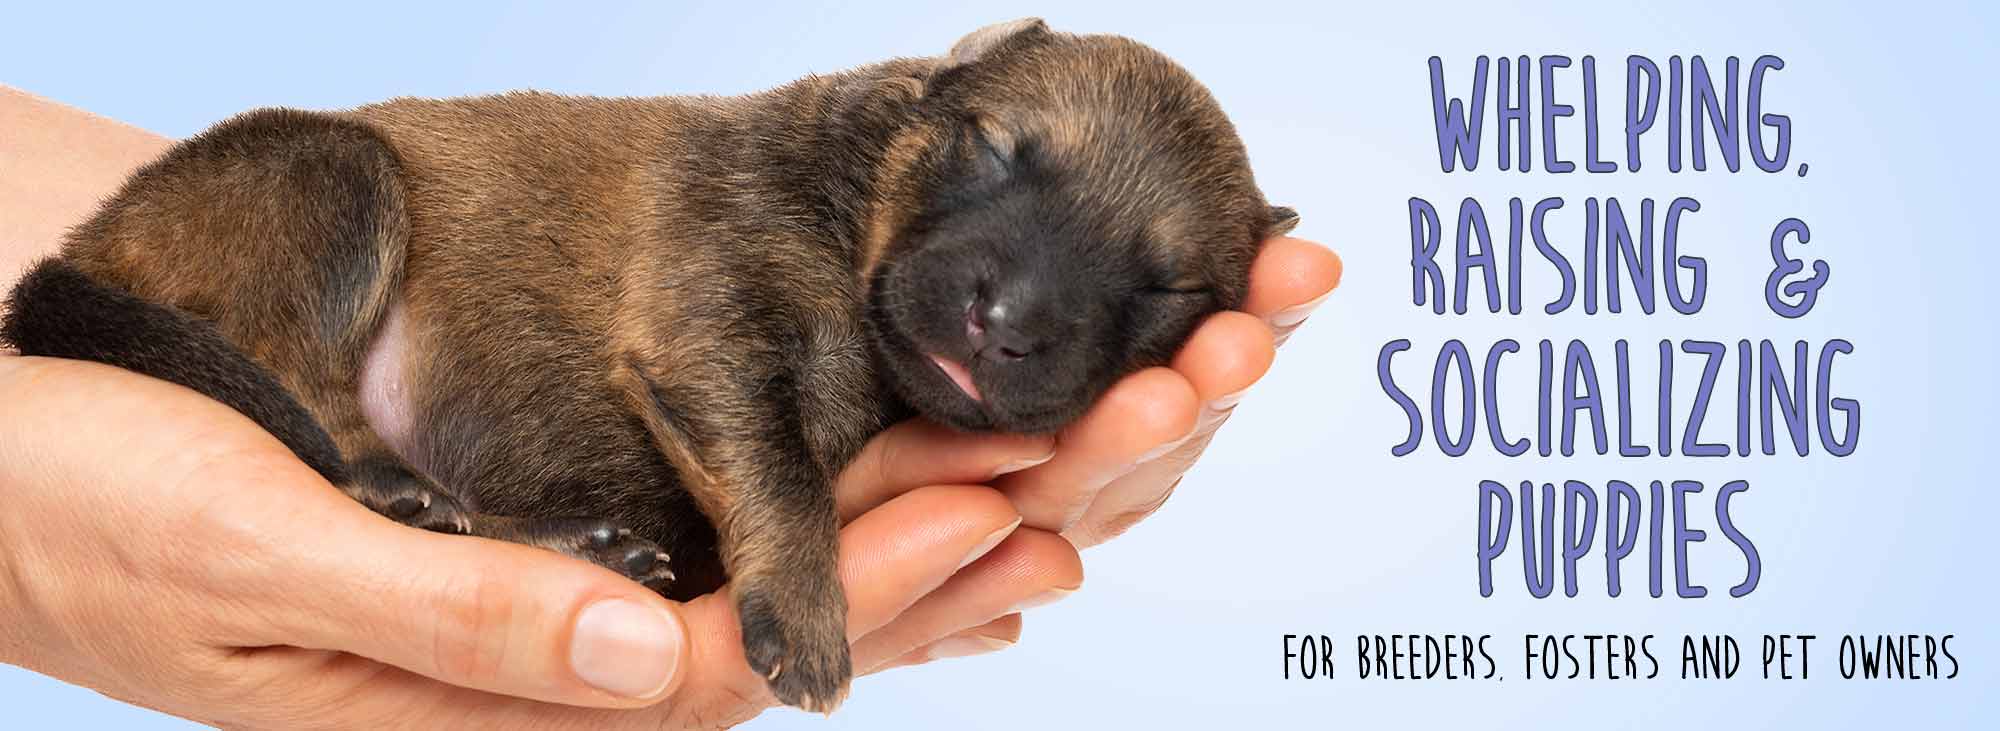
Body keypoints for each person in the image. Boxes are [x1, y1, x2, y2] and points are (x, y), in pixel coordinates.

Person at [0, 86, 1341, 729]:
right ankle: (337, 442)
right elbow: (695, 349)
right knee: (324, 187)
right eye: (994, 164)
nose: (1016, 300)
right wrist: (785, 540)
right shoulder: (767, 179)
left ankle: (447, 516)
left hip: (492, 448)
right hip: (267, 254)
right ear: (926, 108)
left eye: (1153, 290)